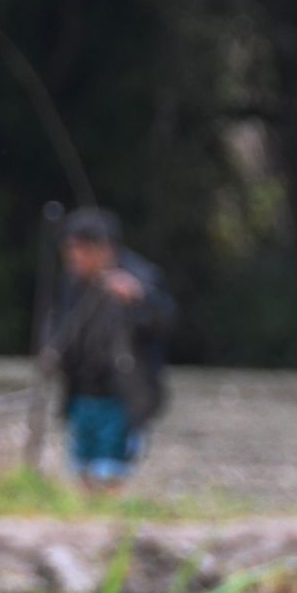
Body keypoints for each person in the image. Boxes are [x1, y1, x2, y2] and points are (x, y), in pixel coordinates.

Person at [40, 208, 176, 491]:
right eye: (70, 250)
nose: (74, 258)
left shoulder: (141, 275)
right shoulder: (72, 283)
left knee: (113, 470)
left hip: (121, 395)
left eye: (80, 251)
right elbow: (58, 323)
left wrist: (138, 297)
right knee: (82, 470)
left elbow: (166, 320)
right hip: (80, 393)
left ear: (103, 249)